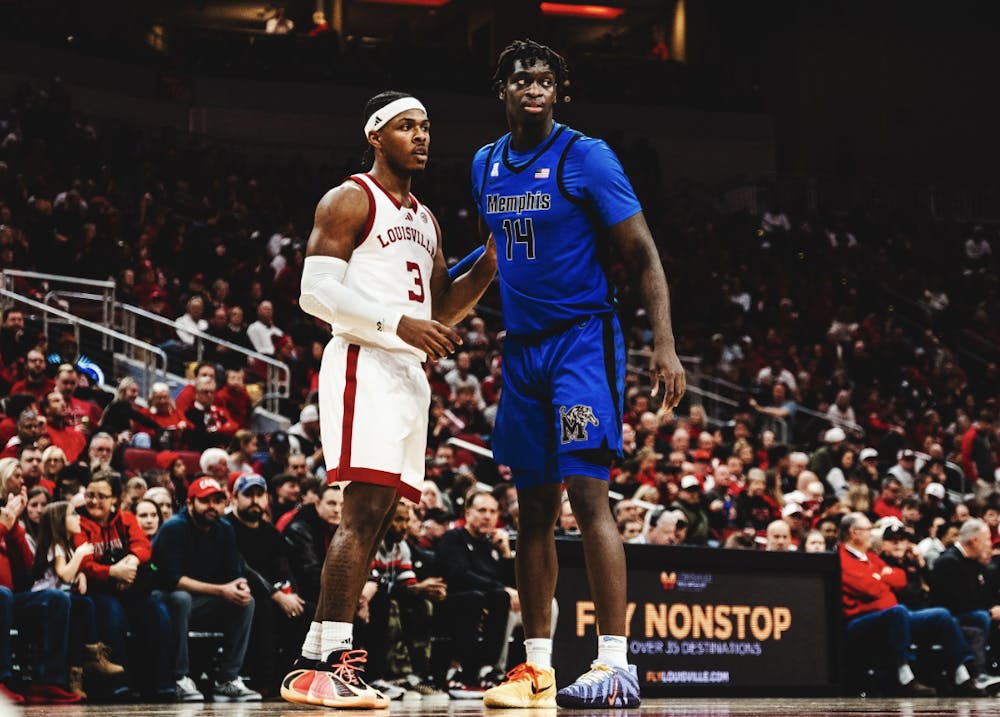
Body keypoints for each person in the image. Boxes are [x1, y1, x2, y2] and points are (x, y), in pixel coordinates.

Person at [471, 39, 684, 710]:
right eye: (520, 77)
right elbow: (493, 257)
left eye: (544, 78)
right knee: (530, 507)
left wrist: (665, 345)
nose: (533, 87)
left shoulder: (586, 155)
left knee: (588, 496)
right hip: (523, 350)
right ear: (501, 89)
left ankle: (615, 662)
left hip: (581, 345)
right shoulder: (484, 164)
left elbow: (643, 253)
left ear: (559, 92)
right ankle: (537, 666)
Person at [279, 89, 496, 709]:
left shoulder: (425, 219)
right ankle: (333, 661)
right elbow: (315, 293)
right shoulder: (350, 198)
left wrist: (491, 259)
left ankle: (315, 661)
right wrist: (397, 326)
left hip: (407, 374)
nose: (422, 136)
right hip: (362, 363)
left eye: (427, 126)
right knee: (361, 512)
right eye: (407, 126)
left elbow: (440, 307)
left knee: (376, 522)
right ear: (376, 135)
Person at [839, 512, 983, 697]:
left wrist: (881, 577)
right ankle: (904, 677)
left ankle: (962, 675)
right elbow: (869, 588)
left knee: (941, 615)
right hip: (862, 620)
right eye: (868, 529)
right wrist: (883, 577)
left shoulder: (870, 558)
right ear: (854, 532)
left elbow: (900, 579)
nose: (871, 533)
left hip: (893, 615)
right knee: (897, 611)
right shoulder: (842, 559)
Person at [152, 476, 262, 702]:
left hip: (203, 601)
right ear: (190, 503)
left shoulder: (225, 528)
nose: (212, 506)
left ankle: (227, 679)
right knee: (181, 598)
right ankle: (178, 678)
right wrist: (222, 590)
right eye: (205, 501)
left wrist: (240, 586)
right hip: (162, 600)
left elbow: (234, 573)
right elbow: (173, 580)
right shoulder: (175, 527)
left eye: (217, 500)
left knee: (245, 602)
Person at [224, 473, 310, 697]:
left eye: (259, 494)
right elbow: (243, 568)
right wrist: (278, 596)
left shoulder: (270, 531)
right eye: (248, 495)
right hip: (238, 591)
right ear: (234, 498)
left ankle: (295, 677)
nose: (255, 500)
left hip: (272, 593)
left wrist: (292, 595)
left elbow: (284, 568)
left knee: (305, 609)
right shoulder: (226, 527)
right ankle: (263, 683)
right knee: (263, 607)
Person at [31, 501, 124, 698]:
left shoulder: (68, 545)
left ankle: (77, 674)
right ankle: (92, 656)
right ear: (59, 521)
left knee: (76, 622)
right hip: (44, 600)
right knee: (84, 603)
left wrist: (81, 573)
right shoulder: (57, 545)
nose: (78, 518)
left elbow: (71, 574)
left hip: (61, 602)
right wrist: (80, 555)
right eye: (72, 514)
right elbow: (64, 574)